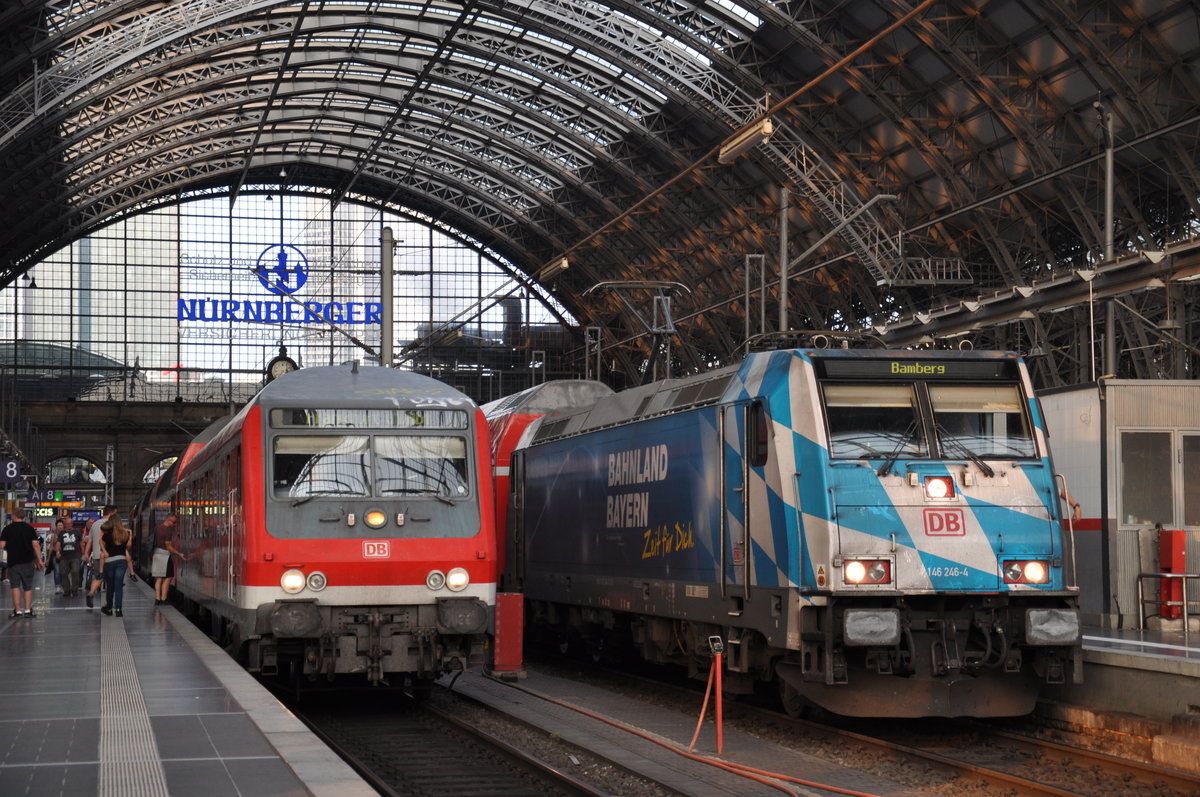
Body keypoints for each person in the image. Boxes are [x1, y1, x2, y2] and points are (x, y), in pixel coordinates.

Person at [0, 507, 44, 617]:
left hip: (13, 562)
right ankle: (28, 610)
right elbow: (36, 545)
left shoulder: (7, 529)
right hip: (28, 562)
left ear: (14, 515)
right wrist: (39, 560)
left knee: (15, 586)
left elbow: (2, 545)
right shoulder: (30, 529)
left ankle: (18, 611)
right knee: (28, 587)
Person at [99, 515, 134, 617]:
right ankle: (118, 610)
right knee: (119, 586)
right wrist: (130, 536)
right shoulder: (124, 534)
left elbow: (103, 549)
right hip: (122, 561)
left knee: (110, 586)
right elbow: (129, 547)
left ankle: (109, 608)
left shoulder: (106, 535)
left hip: (109, 562)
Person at [83, 505, 117, 609]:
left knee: (98, 576)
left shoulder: (95, 524)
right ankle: (111, 603)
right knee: (112, 580)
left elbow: (90, 540)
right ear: (111, 513)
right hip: (109, 555)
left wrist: (86, 553)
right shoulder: (112, 524)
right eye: (115, 513)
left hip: (97, 555)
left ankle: (91, 593)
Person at [151, 513, 183, 605]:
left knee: (159, 577)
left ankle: (157, 599)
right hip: (164, 555)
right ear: (168, 519)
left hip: (156, 554)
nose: (174, 524)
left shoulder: (157, 528)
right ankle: (164, 599)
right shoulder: (167, 531)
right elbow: (168, 546)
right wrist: (179, 554)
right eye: (174, 522)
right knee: (168, 577)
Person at [57, 519, 84, 597]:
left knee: (75, 572)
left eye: (70, 523)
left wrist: (83, 552)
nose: (69, 525)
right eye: (67, 524)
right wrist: (58, 552)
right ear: (64, 524)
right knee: (63, 573)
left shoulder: (77, 532)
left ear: (72, 524)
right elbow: (58, 543)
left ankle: (74, 590)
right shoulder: (61, 533)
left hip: (75, 555)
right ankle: (67, 590)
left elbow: (81, 542)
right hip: (64, 556)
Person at [47, 519, 64, 594]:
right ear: (56, 526)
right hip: (54, 554)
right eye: (58, 525)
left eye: (61, 525)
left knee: (64, 571)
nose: (60, 527)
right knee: (57, 570)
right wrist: (48, 558)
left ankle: (63, 585)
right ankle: (58, 586)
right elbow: (51, 547)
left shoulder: (65, 534)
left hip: (64, 554)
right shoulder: (53, 535)